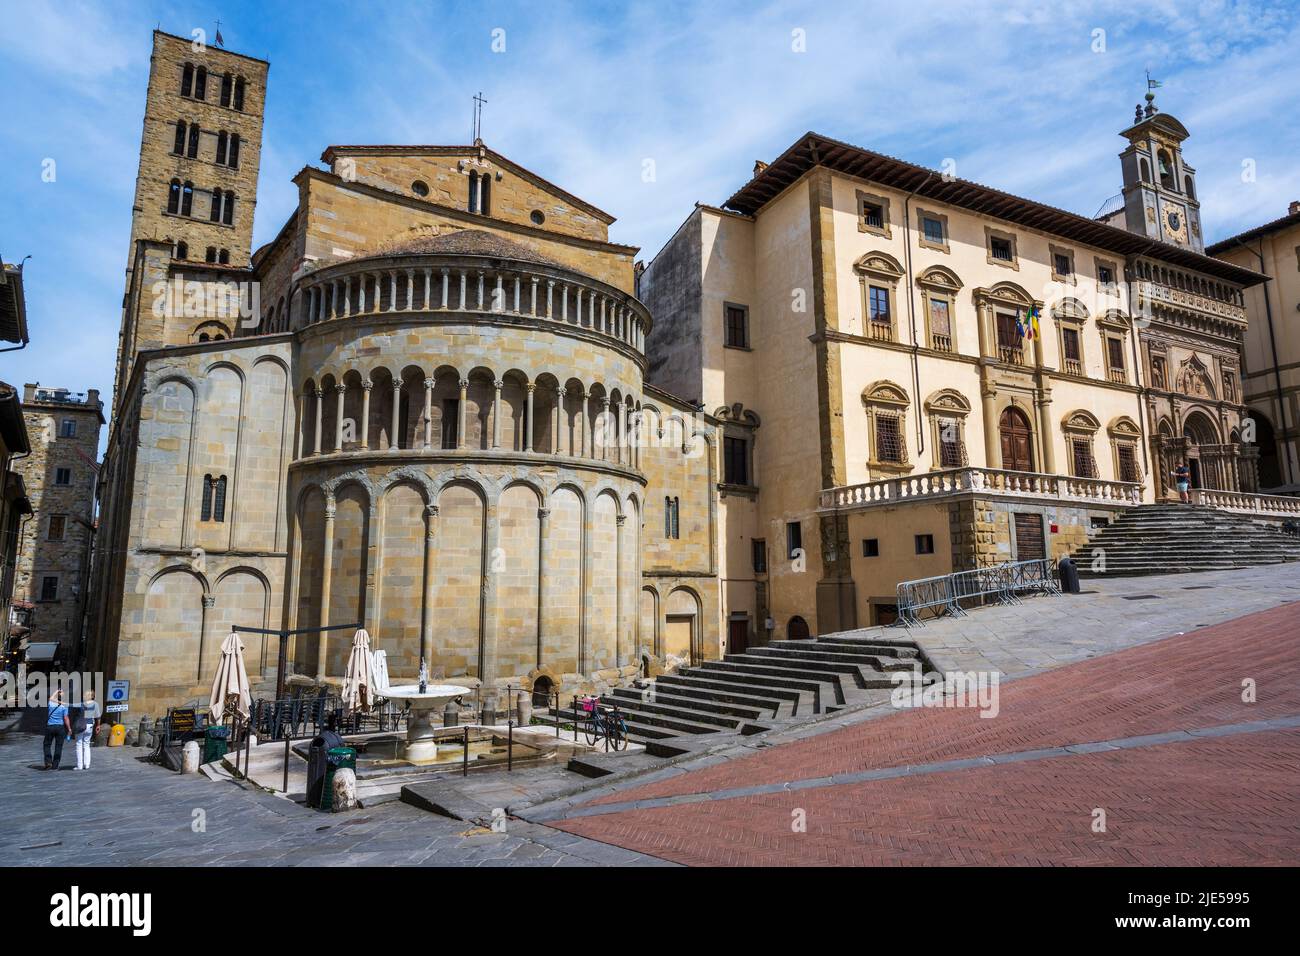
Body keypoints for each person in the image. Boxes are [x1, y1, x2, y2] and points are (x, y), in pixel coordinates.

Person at [43, 690, 71, 770]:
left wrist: (56, 691)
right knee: (58, 746)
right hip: (60, 727)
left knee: (47, 744)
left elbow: (50, 698)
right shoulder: (65, 705)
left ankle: (48, 762)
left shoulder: (51, 703)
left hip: (50, 727)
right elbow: (66, 718)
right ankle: (55, 765)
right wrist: (69, 728)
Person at [74, 690, 101, 771]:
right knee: (86, 745)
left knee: (79, 745)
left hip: (81, 725)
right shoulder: (95, 704)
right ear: (93, 696)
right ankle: (87, 765)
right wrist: (98, 725)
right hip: (90, 726)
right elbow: (98, 716)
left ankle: (80, 766)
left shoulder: (81, 704)